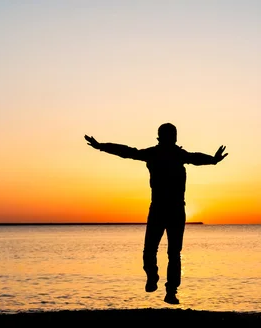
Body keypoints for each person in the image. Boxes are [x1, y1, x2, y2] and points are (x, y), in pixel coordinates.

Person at [84, 123, 228, 304]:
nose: (172, 139)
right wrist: (101, 147)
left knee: (172, 252)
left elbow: (195, 158)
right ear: (164, 137)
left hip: (173, 209)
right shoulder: (158, 153)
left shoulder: (176, 154)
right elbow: (127, 152)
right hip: (161, 209)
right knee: (154, 251)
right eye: (169, 135)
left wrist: (212, 160)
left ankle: (170, 291)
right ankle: (154, 277)